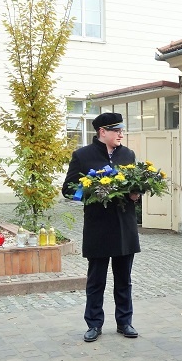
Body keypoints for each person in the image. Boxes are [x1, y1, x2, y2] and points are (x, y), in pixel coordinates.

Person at [62, 112, 141, 342]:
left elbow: (135, 186)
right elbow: (67, 189)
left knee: (124, 278)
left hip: (124, 226)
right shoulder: (83, 156)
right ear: (102, 132)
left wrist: (137, 195)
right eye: (117, 131)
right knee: (96, 280)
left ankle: (124, 322)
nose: (121, 134)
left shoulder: (128, 155)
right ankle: (94, 324)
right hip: (98, 227)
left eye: (122, 130)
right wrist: (89, 192)